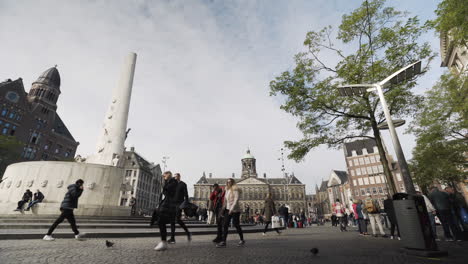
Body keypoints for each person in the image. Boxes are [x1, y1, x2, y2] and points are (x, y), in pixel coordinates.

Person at [216, 178, 245, 248]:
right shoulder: (227, 190)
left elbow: (236, 199)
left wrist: (231, 209)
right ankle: (223, 241)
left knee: (236, 224)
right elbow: (225, 200)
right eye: (227, 182)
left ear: (232, 183)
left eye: (230, 182)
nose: (228, 183)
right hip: (227, 209)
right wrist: (223, 208)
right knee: (225, 224)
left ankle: (242, 239)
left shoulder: (235, 189)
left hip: (235, 210)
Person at [154, 171, 178, 251]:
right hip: (167, 204)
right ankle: (164, 241)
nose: (163, 177)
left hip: (169, 205)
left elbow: (167, 190)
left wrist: (164, 182)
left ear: (168, 175)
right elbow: (164, 192)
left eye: (164, 176)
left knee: (162, 221)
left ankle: (164, 242)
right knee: (161, 221)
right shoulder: (169, 182)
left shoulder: (173, 182)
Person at [168, 173, 191, 244]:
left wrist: (186, 205)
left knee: (177, 220)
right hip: (172, 204)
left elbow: (186, 195)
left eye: (176, 176)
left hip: (179, 204)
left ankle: (187, 232)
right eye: (174, 177)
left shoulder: (183, 184)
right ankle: (172, 238)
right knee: (172, 221)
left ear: (179, 177)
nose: (175, 178)